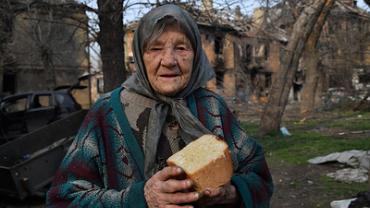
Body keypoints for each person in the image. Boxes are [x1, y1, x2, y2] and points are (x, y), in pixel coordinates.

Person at [46, 4, 273, 208]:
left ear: (196, 55)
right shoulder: (107, 112)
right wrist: (140, 199)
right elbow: (62, 200)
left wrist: (232, 193)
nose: (169, 60)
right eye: (155, 48)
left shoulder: (213, 107)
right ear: (140, 56)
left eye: (182, 48)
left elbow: (260, 177)